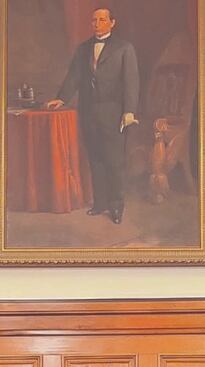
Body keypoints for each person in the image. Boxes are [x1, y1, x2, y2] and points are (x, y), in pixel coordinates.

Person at [46, 7, 139, 225]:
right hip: (88, 112)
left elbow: (131, 82)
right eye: (94, 20)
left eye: (102, 19)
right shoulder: (83, 48)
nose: (97, 23)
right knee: (95, 160)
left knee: (114, 162)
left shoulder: (124, 48)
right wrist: (62, 98)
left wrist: (129, 111)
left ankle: (116, 207)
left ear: (112, 22)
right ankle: (100, 204)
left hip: (114, 114)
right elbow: (74, 76)